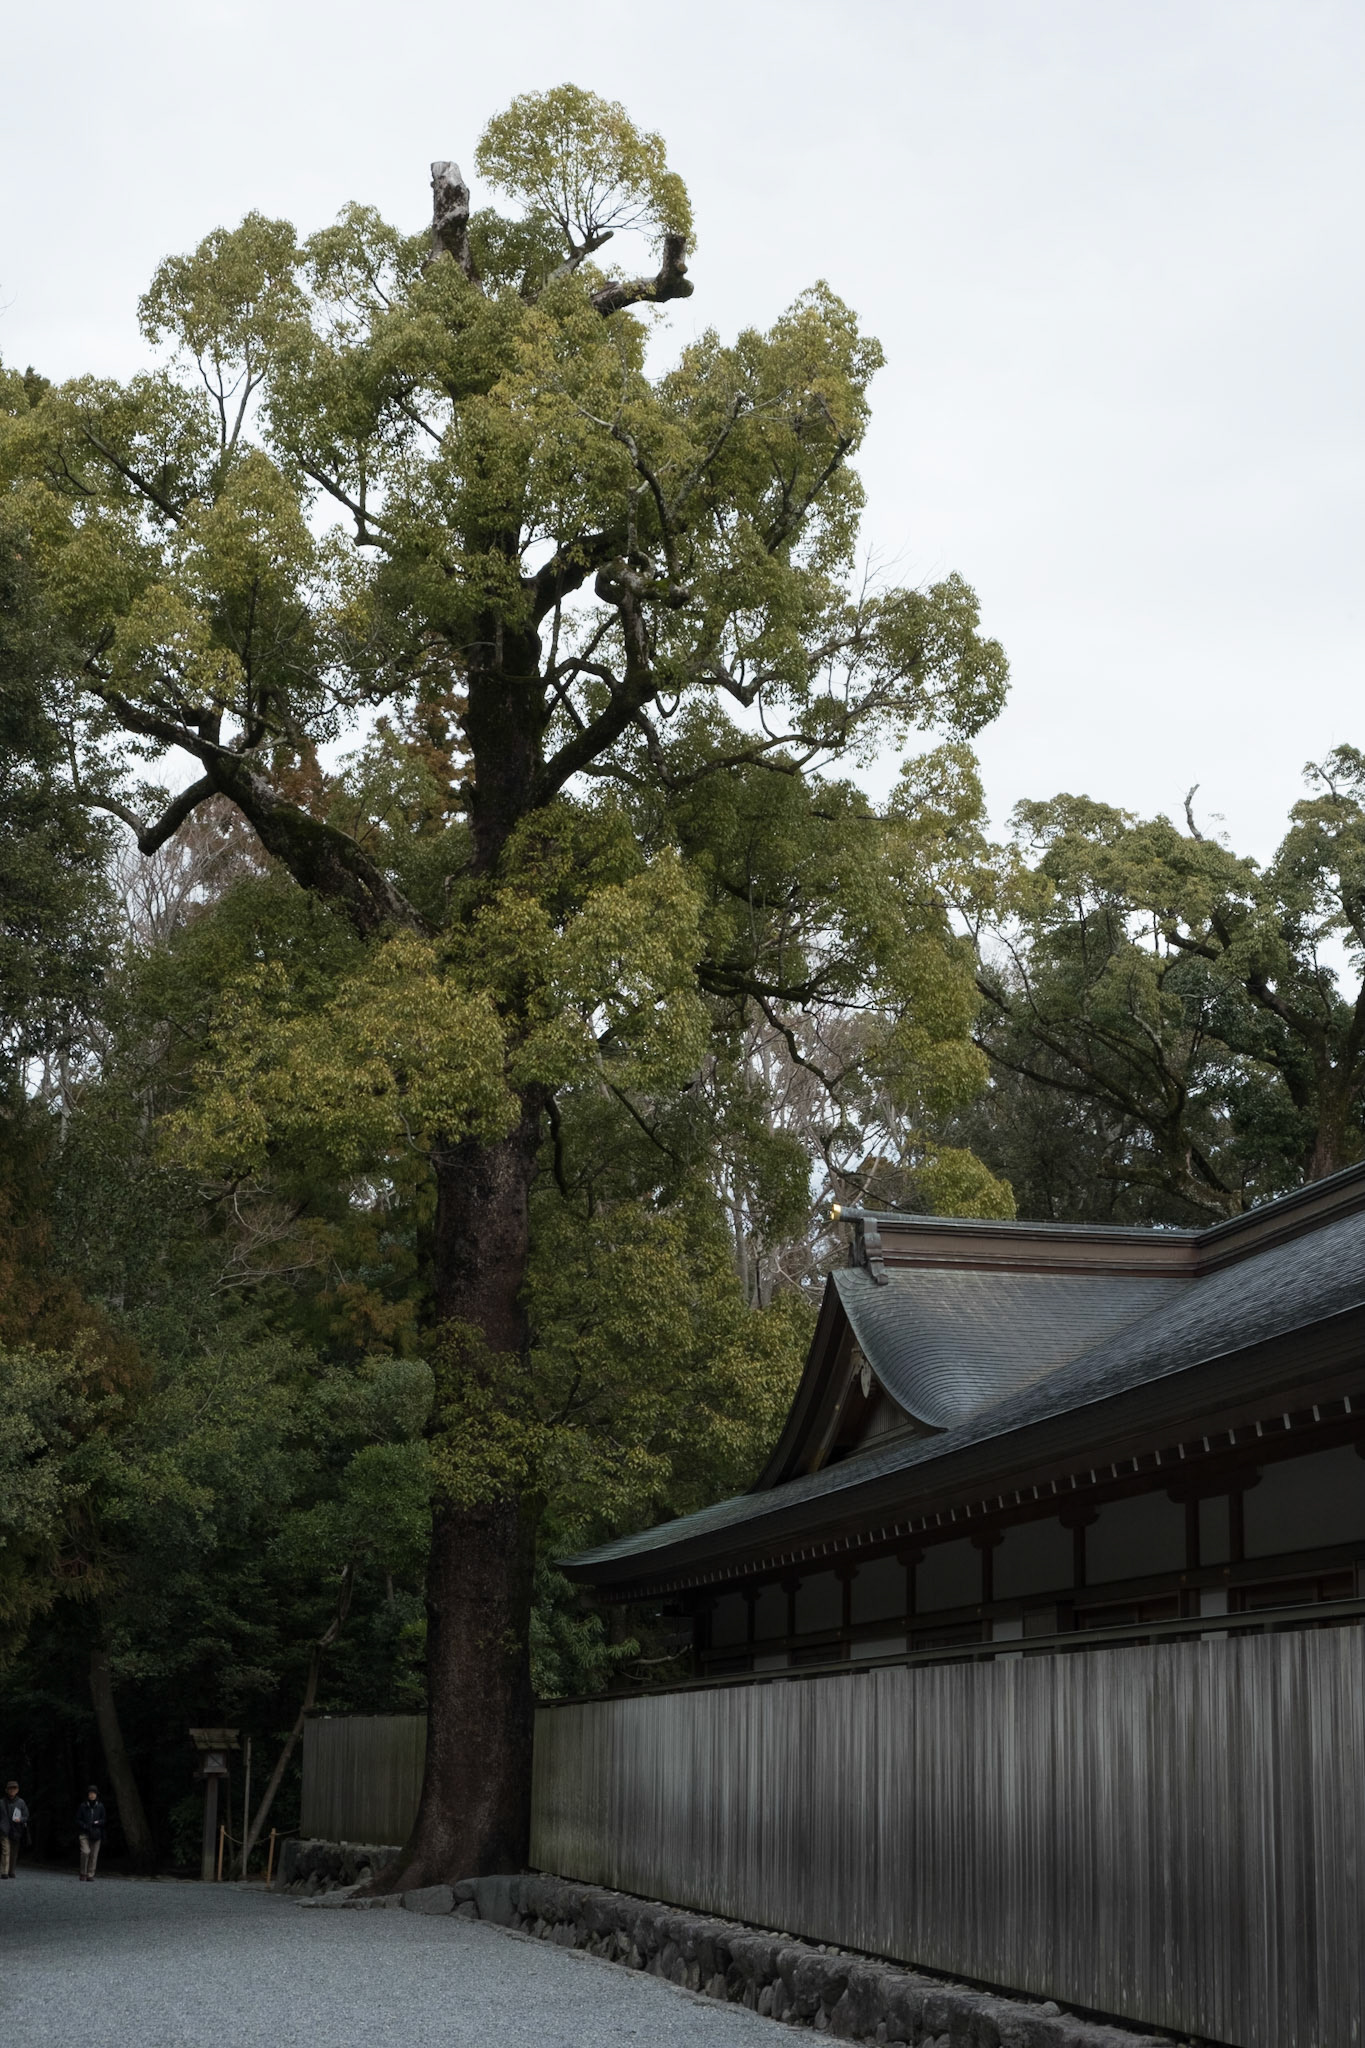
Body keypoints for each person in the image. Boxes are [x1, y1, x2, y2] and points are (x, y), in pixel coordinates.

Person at [77, 1786, 106, 1881]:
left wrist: (97, 1823)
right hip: (84, 1833)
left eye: (94, 1793)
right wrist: (85, 1826)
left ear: (97, 1795)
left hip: (96, 1833)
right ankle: (83, 1873)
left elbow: (104, 1820)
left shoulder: (100, 1806)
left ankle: (90, 1875)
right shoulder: (83, 1806)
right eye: (90, 1793)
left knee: (94, 1855)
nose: (92, 1795)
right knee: (86, 1852)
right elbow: (78, 1820)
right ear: (87, 1795)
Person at [2, 1783, 29, 1877]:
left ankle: (11, 1871)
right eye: (10, 1788)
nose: (12, 1790)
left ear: (17, 1790)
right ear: (6, 1790)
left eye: (14, 1788)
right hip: (3, 1830)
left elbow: (26, 1816)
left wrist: (20, 1819)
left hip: (16, 1830)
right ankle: (4, 1872)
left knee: (14, 1852)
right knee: (6, 1850)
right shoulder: (1, 1802)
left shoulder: (21, 1802)